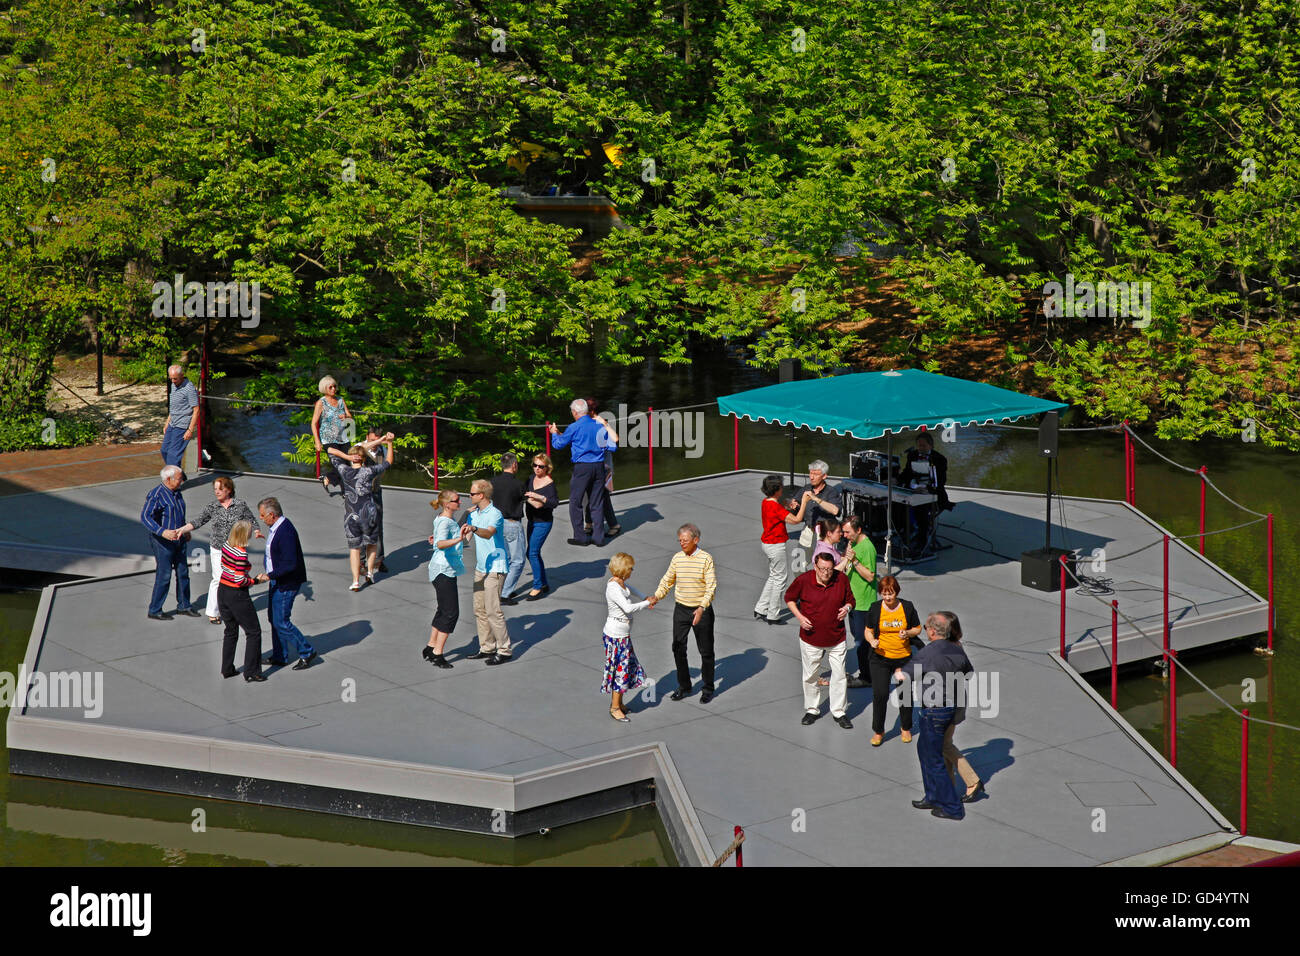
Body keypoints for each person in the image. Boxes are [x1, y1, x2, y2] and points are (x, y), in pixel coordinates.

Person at [897, 611, 975, 820]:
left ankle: (952, 808)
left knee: (934, 760)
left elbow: (904, 675)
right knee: (925, 751)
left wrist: (897, 672)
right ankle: (932, 796)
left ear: (932, 631)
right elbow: (968, 672)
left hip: (934, 711)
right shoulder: (956, 648)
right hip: (951, 708)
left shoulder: (928, 652)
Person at [785, 551, 855, 728]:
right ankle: (812, 709)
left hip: (836, 637)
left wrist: (847, 608)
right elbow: (790, 598)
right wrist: (800, 617)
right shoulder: (804, 580)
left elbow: (851, 600)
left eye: (830, 569)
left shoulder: (841, 579)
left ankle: (839, 712)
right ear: (815, 566)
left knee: (839, 676)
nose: (826, 573)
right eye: (822, 569)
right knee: (810, 676)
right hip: (810, 639)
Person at [177, 476, 259, 624]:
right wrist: (181, 530)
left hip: (235, 548)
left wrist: (257, 530)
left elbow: (251, 519)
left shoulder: (240, 505)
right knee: (219, 579)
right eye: (215, 489)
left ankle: (234, 607)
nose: (217, 492)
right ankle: (213, 612)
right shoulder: (212, 507)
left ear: (228, 489)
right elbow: (198, 521)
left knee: (237, 577)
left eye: (220, 489)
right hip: (218, 548)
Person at [652, 523, 717, 702]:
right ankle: (684, 685)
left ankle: (708, 688)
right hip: (681, 609)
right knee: (678, 647)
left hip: (701, 611)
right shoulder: (677, 558)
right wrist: (657, 596)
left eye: (685, 540)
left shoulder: (706, 559)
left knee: (706, 651)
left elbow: (711, 586)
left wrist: (702, 608)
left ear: (696, 540)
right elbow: (667, 580)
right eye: (680, 540)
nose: (682, 543)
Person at [254, 497, 317, 670]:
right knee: (273, 618)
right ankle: (280, 655)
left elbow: (290, 564)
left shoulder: (285, 531)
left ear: (271, 515)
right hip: (277, 581)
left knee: (281, 620)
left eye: (262, 515)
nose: (261, 518)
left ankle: (306, 651)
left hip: (285, 583)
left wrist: (269, 575)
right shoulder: (276, 528)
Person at [548, 398, 616, 546]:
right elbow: (613, 447)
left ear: (575, 412)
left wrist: (554, 433)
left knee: (575, 502)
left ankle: (580, 537)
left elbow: (559, 444)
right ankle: (598, 538)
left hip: (582, 468)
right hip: (599, 466)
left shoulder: (574, 427)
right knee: (597, 502)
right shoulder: (599, 425)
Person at [863, 575, 921, 745]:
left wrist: (908, 633)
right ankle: (878, 731)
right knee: (880, 694)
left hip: (903, 659)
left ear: (897, 592)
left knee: (905, 694)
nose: (888, 598)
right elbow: (868, 630)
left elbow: (917, 628)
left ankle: (905, 727)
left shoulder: (907, 607)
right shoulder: (875, 608)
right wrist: (872, 640)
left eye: (891, 594)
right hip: (880, 658)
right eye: (884, 594)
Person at [334, 431, 395, 590]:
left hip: (351, 515)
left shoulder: (344, 471)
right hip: (369, 512)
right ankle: (369, 572)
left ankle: (355, 581)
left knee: (354, 549)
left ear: (352, 457)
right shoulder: (369, 471)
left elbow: (330, 451)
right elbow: (389, 461)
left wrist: (348, 458)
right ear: (363, 458)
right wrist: (388, 442)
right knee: (371, 544)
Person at [140, 465, 200, 620]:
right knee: (164, 575)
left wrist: (185, 530)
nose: (182, 482)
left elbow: (179, 513)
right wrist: (162, 532)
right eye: (180, 479)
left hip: (179, 539)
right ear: (168, 479)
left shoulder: (177, 492)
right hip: (163, 542)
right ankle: (155, 609)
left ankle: (184, 606)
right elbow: (146, 517)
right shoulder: (156, 495)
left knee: (183, 573)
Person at [464, 479, 512, 664]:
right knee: (480, 610)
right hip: (481, 568)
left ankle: (505, 650)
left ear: (482, 495)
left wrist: (474, 528)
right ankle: (487, 647)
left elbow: (488, 533)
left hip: (496, 568)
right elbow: (466, 539)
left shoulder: (495, 514)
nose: (469, 496)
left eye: (472, 493)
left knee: (493, 611)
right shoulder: (473, 514)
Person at [602, 552, 653, 722]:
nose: (632, 570)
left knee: (625, 668)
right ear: (623, 569)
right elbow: (628, 608)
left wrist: (645, 597)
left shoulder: (620, 583)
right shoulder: (613, 587)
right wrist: (646, 603)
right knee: (620, 670)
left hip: (622, 635)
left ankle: (619, 703)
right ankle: (615, 707)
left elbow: (631, 590)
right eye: (630, 568)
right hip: (615, 636)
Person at [424, 489, 471, 668]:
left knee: (443, 610)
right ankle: (438, 654)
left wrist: (467, 528)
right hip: (444, 570)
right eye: (456, 500)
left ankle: (430, 646)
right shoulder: (445, 521)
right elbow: (441, 544)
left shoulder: (442, 518)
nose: (460, 502)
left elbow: (441, 539)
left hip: (441, 569)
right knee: (451, 613)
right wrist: (458, 538)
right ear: (447, 504)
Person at [754, 475, 809, 625]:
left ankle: (761, 607)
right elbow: (796, 520)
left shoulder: (766, 502)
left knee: (773, 576)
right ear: (777, 489)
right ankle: (773, 614)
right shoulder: (775, 507)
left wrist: (787, 503)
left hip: (767, 543)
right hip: (776, 545)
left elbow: (779, 508)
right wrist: (803, 502)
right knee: (780, 579)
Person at [217, 520, 265, 682]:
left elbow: (227, 569)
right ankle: (251, 672)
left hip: (222, 591)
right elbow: (239, 579)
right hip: (237, 595)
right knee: (253, 632)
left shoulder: (226, 546)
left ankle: (227, 668)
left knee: (230, 630)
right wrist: (255, 581)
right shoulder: (240, 553)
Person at [843, 515, 879, 690]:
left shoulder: (867, 548)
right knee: (857, 638)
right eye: (843, 532)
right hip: (853, 602)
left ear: (858, 530)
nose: (845, 535)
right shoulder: (854, 543)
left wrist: (854, 560)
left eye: (848, 532)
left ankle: (867, 677)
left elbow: (871, 576)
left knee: (862, 642)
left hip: (863, 604)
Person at [902, 432, 951, 549]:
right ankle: (905, 532)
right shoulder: (912, 455)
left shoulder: (940, 459)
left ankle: (921, 541)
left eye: (923, 446)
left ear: (931, 446)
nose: (920, 448)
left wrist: (925, 489)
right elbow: (907, 473)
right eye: (919, 445)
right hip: (915, 489)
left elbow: (941, 481)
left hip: (933, 493)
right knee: (899, 503)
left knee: (921, 508)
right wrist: (896, 480)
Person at [582, 398, 621, 538]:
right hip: (590, 466)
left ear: (590, 411)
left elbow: (614, 442)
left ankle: (613, 524)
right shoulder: (585, 423)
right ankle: (589, 523)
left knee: (602, 496)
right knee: (587, 495)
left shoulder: (600, 423)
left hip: (603, 466)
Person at [522, 453, 560, 599]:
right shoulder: (531, 479)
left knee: (532, 552)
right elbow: (524, 494)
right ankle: (543, 583)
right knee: (532, 552)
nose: (537, 469)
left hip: (543, 523)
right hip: (532, 520)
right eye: (535, 465)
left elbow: (554, 502)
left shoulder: (549, 484)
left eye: (541, 466)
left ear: (547, 468)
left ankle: (537, 587)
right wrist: (531, 500)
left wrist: (538, 497)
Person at [491, 452, 527, 603]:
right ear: (514, 465)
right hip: (512, 524)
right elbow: (526, 498)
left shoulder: (493, 482)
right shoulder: (518, 484)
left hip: (497, 525)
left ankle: (496, 590)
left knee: (502, 559)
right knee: (518, 561)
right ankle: (505, 593)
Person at [312, 375, 353, 492]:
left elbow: (350, 416)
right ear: (325, 388)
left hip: (343, 437)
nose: (334, 389)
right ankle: (345, 491)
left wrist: (346, 416)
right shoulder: (321, 403)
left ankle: (328, 478)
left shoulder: (340, 400)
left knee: (348, 463)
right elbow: (314, 423)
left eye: (335, 386)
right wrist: (317, 441)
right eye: (331, 387)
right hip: (328, 438)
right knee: (339, 464)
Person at [799, 460, 844, 561]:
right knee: (798, 566)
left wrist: (816, 499)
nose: (811, 477)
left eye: (815, 474)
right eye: (810, 473)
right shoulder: (806, 488)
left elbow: (835, 511)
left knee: (824, 565)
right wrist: (792, 504)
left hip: (824, 534)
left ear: (824, 476)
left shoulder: (832, 492)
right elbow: (795, 501)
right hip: (808, 531)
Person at [161, 365, 199, 476]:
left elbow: (196, 410)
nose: (173, 381)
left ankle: (174, 481)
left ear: (182, 376)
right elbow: (173, 407)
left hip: (182, 426)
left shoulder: (189, 389)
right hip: (172, 423)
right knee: (164, 450)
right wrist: (167, 422)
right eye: (171, 378)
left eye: (175, 378)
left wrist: (190, 430)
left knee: (173, 455)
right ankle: (179, 475)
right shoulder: (173, 385)